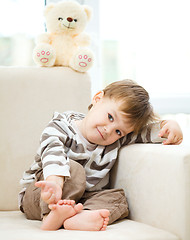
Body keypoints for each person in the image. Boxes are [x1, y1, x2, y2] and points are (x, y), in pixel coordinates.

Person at [19, 80, 183, 231]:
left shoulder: (115, 140)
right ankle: (51, 216)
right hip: (42, 194)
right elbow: (52, 154)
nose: (108, 130)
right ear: (97, 99)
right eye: (110, 117)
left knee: (119, 198)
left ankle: (76, 218)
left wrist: (169, 125)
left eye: (119, 131)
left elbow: (147, 133)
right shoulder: (60, 126)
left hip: (80, 199)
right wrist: (54, 182)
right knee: (74, 170)